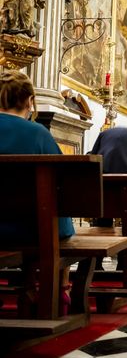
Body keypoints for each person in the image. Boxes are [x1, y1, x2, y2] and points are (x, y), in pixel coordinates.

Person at [0, 70, 74, 313]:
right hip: (33, 228)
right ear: (30, 101)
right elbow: (64, 180)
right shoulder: (38, 133)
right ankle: (59, 291)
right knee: (56, 216)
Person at [89, 121, 127, 227]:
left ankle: (102, 229)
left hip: (104, 172)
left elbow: (94, 154)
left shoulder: (106, 132)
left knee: (105, 204)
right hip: (126, 174)